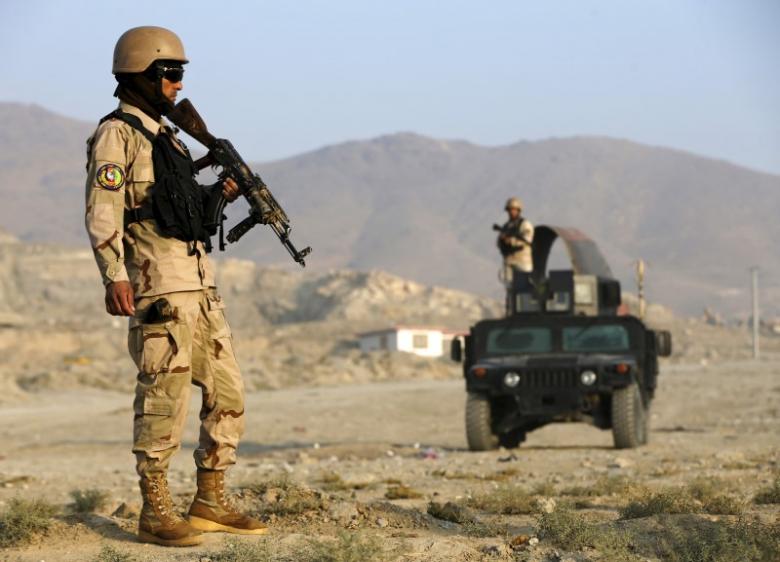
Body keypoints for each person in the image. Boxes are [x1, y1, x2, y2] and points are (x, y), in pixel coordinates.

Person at [84, 26, 266, 547]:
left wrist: (220, 196)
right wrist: (114, 275)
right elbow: (103, 210)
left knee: (229, 391)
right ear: (141, 74)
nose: (178, 85)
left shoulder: (171, 140)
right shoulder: (116, 134)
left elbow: (180, 214)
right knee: (164, 397)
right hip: (157, 287)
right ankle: (155, 508)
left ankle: (210, 497)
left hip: (199, 286)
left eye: (181, 74)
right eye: (171, 73)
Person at [496, 197, 535, 282]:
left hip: (523, 260)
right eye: (509, 210)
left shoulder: (525, 224)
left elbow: (528, 239)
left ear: (518, 210)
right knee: (510, 288)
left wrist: (511, 241)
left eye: (514, 209)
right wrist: (503, 240)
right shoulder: (506, 226)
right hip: (509, 260)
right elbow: (499, 243)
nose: (511, 212)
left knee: (525, 287)